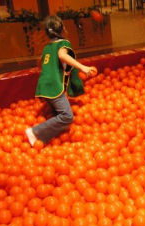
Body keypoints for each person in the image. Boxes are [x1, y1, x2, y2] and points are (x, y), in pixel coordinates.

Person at [25, 15, 97, 146]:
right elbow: (62, 55)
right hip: (54, 87)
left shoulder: (47, 47)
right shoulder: (64, 44)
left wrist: (46, 72)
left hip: (43, 86)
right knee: (67, 117)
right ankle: (35, 132)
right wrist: (83, 67)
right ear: (63, 29)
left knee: (55, 109)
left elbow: (40, 62)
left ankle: (53, 115)